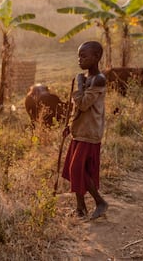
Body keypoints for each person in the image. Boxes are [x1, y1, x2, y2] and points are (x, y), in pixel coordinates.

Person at [62, 41, 108, 220]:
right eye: (78, 56)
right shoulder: (86, 78)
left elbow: (83, 104)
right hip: (79, 130)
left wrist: (79, 85)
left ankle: (100, 202)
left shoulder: (98, 79)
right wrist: (69, 125)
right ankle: (80, 208)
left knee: (77, 169)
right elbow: (76, 110)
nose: (79, 60)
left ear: (96, 58)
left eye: (84, 56)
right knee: (74, 169)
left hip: (90, 133)